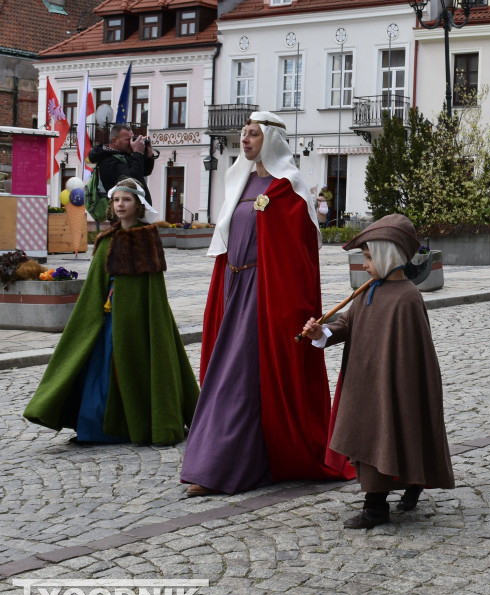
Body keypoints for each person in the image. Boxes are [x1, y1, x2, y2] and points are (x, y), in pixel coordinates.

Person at [180, 111, 354, 496]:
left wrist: (281, 300)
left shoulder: (287, 187)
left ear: (271, 140)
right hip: (234, 285)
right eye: (244, 134)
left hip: (265, 293)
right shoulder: (239, 180)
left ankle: (222, 469)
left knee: (239, 377)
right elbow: (227, 240)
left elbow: (299, 253)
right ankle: (222, 463)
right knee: (227, 374)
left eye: (254, 134)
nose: (245, 140)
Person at [301, 214, 454, 529]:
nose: (365, 264)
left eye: (370, 257)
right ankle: (409, 486)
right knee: (371, 438)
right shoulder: (368, 291)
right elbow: (346, 324)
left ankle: (376, 509)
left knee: (389, 433)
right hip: (364, 386)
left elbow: (414, 355)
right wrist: (322, 332)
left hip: (392, 387)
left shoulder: (407, 298)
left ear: (388, 256)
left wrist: (396, 384)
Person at [24, 178, 198, 444]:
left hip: (138, 320)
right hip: (106, 319)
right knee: (99, 371)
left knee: (135, 370)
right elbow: (94, 288)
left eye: (126, 199)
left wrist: (149, 321)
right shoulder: (105, 240)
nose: (120, 204)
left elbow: (153, 293)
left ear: (138, 205)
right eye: (116, 199)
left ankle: (138, 425)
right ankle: (95, 429)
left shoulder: (147, 239)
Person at [89, 124, 157, 205]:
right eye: (129, 139)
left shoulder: (124, 156)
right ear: (115, 141)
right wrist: (137, 152)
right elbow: (133, 179)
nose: (132, 142)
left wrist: (149, 154)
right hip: (123, 213)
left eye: (133, 138)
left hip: (136, 212)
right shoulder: (107, 162)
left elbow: (146, 171)